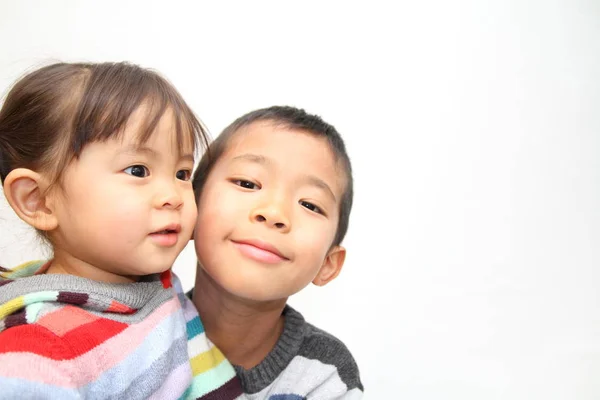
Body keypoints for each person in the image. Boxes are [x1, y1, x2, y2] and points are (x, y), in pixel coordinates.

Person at [0, 62, 243, 399]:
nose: (173, 196)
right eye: (138, 170)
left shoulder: (147, 274)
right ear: (39, 199)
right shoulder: (37, 352)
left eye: (182, 173)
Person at [190, 106, 363, 398]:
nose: (273, 213)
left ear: (329, 264)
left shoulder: (326, 375)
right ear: (190, 206)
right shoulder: (129, 332)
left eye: (310, 204)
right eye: (247, 183)